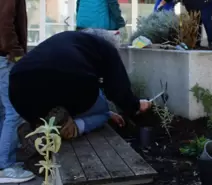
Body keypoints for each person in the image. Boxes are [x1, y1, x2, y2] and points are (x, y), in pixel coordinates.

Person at [10, 30, 153, 166]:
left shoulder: (69, 39)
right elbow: (117, 87)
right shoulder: (106, 47)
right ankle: (68, 127)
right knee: (103, 111)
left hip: (18, 86)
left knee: (46, 108)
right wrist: (135, 105)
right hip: (67, 80)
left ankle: (34, 128)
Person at [0, 0, 35, 183]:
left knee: (3, 111)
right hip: (5, 56)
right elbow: (4, 21)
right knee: (13, 111)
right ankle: (6, 166)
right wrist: (16, 52)